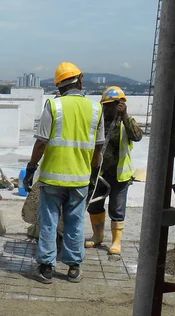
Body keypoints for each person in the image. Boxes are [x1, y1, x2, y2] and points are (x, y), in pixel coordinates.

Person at [23, 62, 105, 284]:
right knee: (75, 222)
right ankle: (73, 268)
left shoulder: (54, 106)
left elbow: (41, 143)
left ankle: (47, 268)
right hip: (80, 178)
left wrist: (30, 169)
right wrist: (94, 174)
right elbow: (98, 148)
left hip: (53, 177)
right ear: (80, 80)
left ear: (59, 86)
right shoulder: (96, 109)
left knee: (49, 221)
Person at [85, 86, 142, 257]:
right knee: (94, 205)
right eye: (108, 104)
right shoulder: (98, 123)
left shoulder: (126, 123)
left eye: (115, 104)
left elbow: (137, 136)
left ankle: (116, 242)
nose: (111, 108)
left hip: (119, 174)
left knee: (117, 208)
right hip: (99, 173)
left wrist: (124, 116)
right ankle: (98, 235)